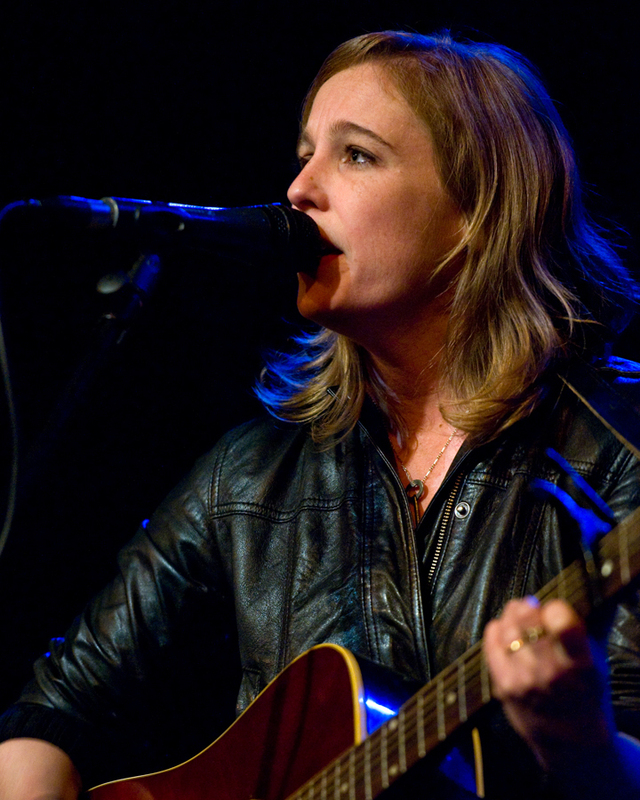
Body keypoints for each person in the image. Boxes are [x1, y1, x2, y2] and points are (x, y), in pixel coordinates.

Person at [1, 29, 640, 800]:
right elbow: (55, 709)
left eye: (356, 155)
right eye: (305, 152)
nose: (298, 190)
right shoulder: (251, 475)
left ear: (477, 211)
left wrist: (580, 738)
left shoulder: (619, 449)